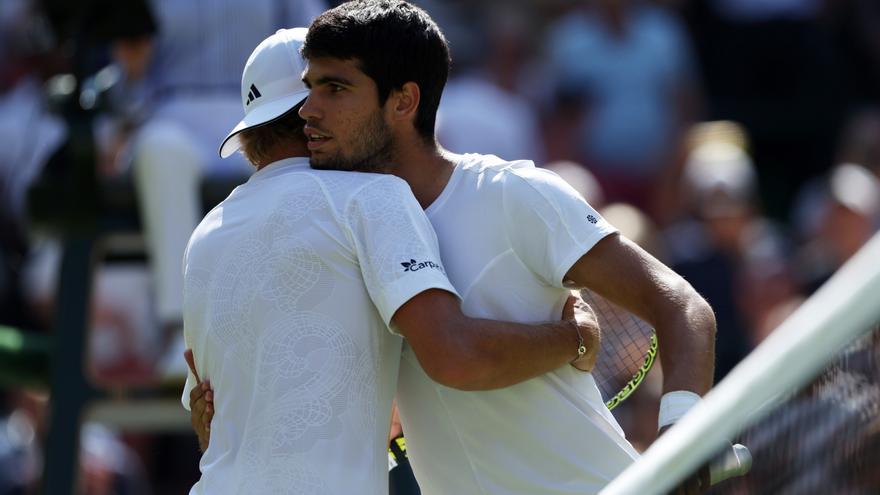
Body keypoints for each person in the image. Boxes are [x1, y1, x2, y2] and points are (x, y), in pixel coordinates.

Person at [193, 2, 716, 493]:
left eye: (334, 88)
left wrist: (681, 440)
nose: (308, 109)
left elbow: (683, 308)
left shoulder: (513, 193)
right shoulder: (347, 236)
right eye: (309, 87)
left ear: (404, 100)